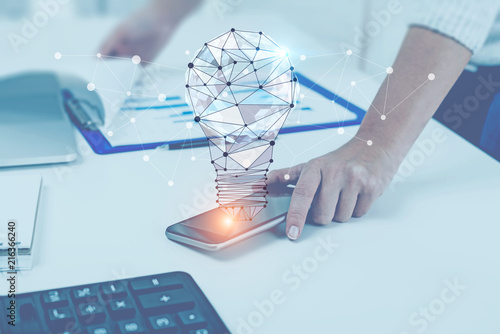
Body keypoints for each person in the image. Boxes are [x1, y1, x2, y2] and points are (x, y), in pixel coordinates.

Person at [101, 0, 500, 240]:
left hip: (470, 81)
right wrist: (161, 17)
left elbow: (462, 8)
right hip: (383, 74)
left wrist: (374, 145)